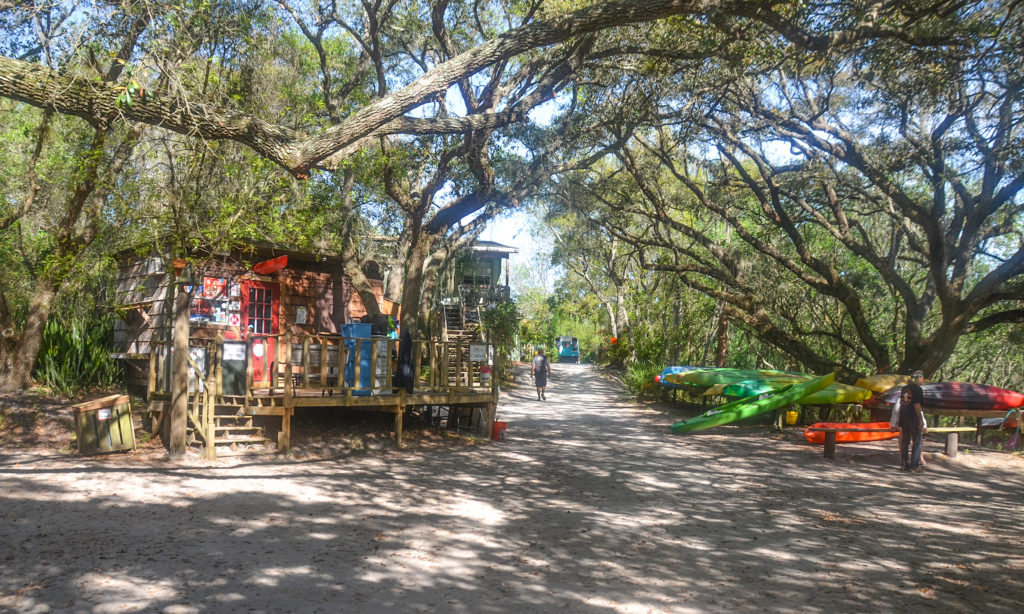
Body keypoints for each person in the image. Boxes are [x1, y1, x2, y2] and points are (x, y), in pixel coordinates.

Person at [898, 369, 927, 472]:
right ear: (918, 378)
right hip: (913, 417)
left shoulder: (904, 388)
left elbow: (903, 403)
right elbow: (917, 405)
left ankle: (903, 464)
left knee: (905, 441)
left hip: (904, 416)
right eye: (922, 379)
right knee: (917, 442)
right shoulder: (917, 389)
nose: (923, 381)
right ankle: (914, 466)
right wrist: (921, 419)